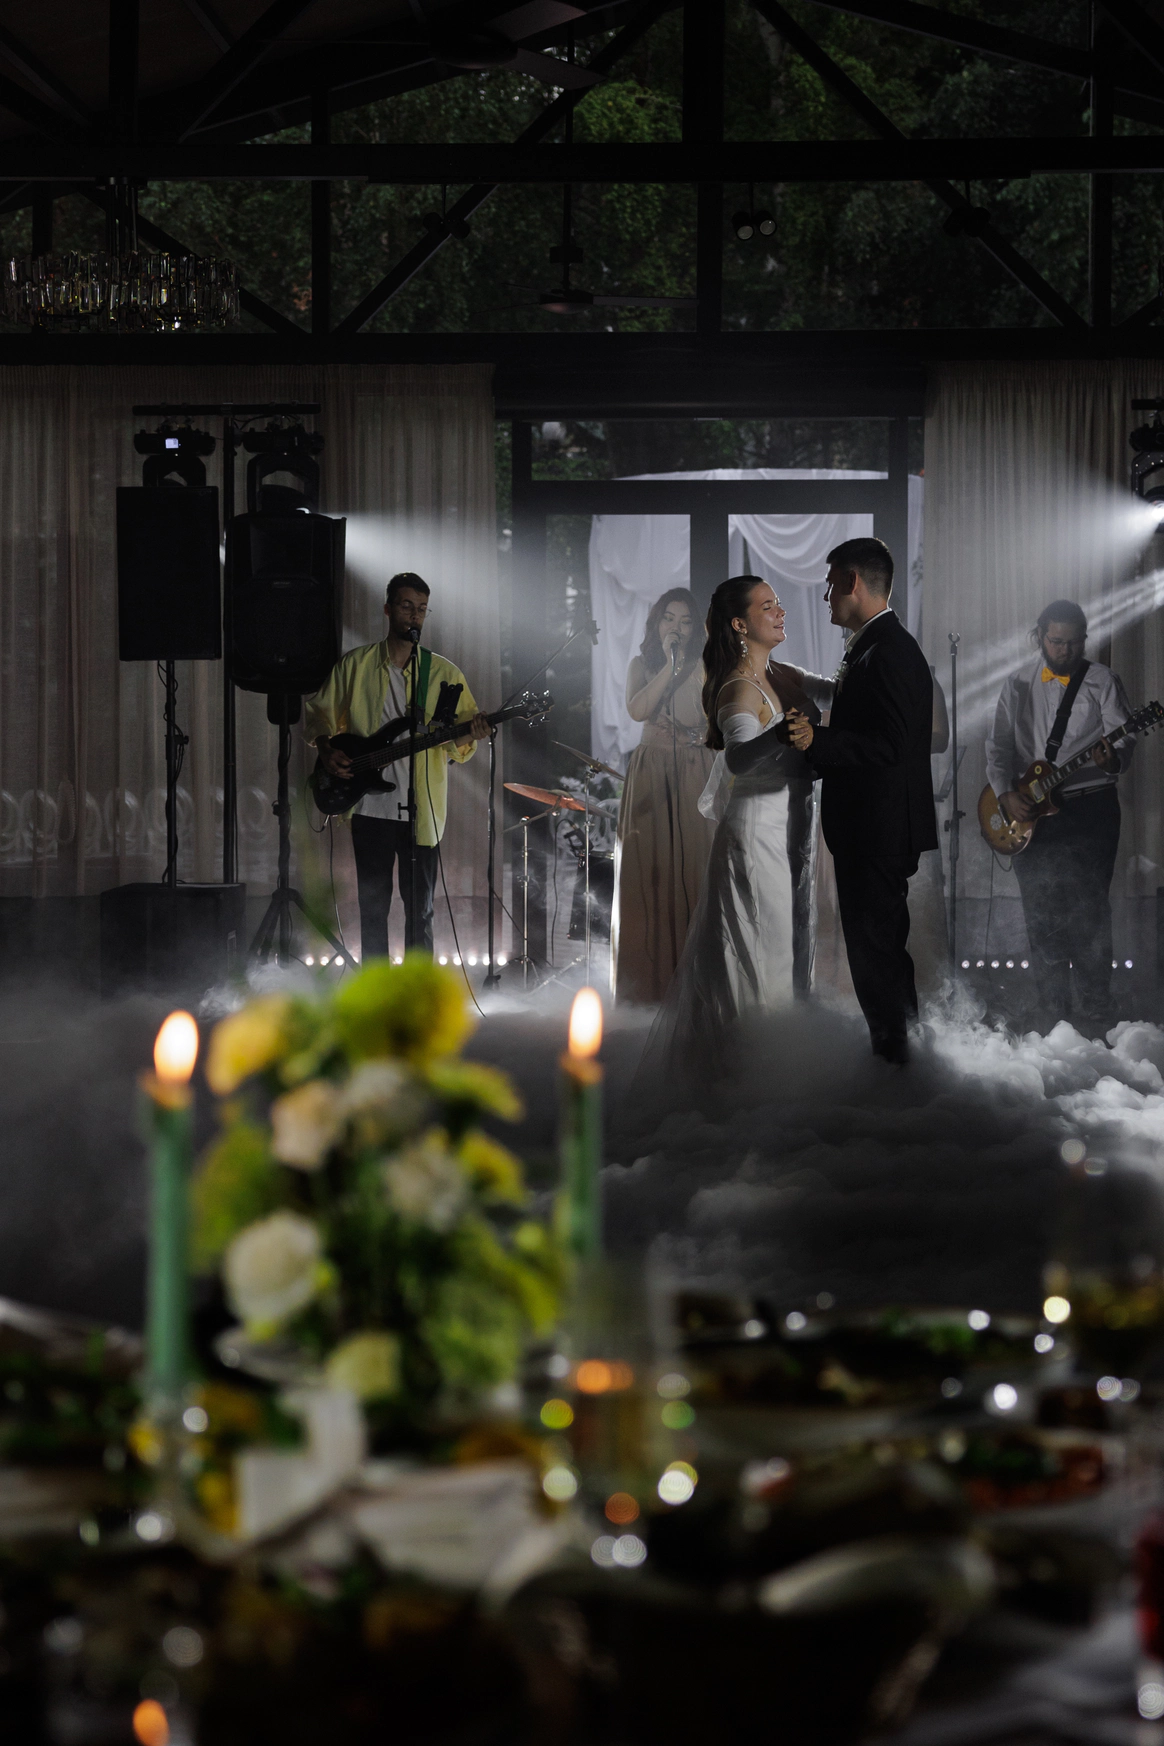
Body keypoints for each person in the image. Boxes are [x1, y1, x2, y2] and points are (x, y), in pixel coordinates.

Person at [659, 576, 832, 1074]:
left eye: (779, 604)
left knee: (790, 947)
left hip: (792, 830)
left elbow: (839, 690)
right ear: (739, 624)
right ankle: (746, 1070)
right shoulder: (738, 686)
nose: (781, 612)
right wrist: (779, 735)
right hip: (757, 838)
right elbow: (736, 757)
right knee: (762, 947)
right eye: (768, 606)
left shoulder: (782, 673)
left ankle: (782, 1065)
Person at [786, 537, 936, 1065]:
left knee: (878, 958)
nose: (826, 596)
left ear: (852, 582)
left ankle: (898, 1065)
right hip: (875, 827)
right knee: (878, 954)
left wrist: (817, 740)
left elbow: (892, 745)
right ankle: (901, 1059)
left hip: (878, 829)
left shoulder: (889, 650)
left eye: (830, 585)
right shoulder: (875, 644)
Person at [305, 572, 490, 958]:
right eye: (407, 606)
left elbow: (457, 748)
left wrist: (472, 734)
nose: (415, 615)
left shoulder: (444, 674)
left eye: (422, 609)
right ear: (388, 609)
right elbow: (319, 713)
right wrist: (325, 748)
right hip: (369, 808)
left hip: (422, 813)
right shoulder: (356, 664)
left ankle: (415, 987)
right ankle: (377, 986)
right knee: (373, 909)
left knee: (420, 912)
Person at [985, 598, 1133, 1034]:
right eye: (1056, 641)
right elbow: (998, 747)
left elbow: (1123, 743)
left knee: (1090, 911)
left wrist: (1111, 760)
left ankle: (1096, 1011)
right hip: (1031, 810)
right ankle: (1051, 1011)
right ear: (1039, 637)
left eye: (1073, 642)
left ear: (1084, 640)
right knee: (1040, 911)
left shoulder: (1103, 681)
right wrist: (1005, 795)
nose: (1065, 650)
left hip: (1090, 807)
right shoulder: (1016, 683)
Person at [613, 588, 716, 1003]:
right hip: (651, 773)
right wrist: (669, 667)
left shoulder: (709, 665)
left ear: (697, 628)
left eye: (686, 621)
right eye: (669, 619)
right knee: (648, 873)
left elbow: (721, 722)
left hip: (695, 770)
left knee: (694, 870)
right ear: (657, 624)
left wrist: (695, 736)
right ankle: (647, 987)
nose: (677, 627)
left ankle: (694, 987)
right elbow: (638, 710)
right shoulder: (641, 665)